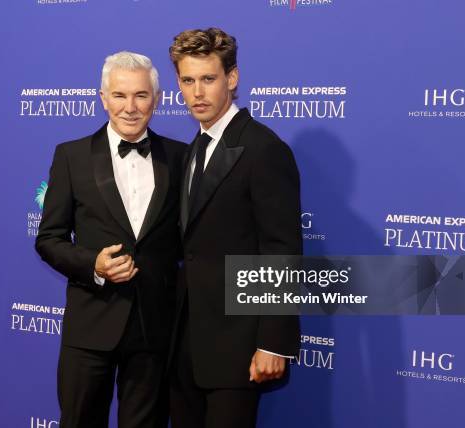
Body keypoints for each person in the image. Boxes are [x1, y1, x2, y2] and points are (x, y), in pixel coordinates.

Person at [35, 51, 185, 428]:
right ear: (103, 98)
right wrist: (93, 265)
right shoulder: (71, 156)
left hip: (154, 329)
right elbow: (49, 239)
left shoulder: (182, 157)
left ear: (158, 99)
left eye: (141, 96)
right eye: (119, 96)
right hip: (90, 326)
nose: (130, 107)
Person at [167, 28, 303, 428]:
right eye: (188, 81)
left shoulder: (264, 149)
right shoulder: (194, 148)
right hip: (187, 345)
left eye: (208, 79)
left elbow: (282, 249)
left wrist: (272, 342)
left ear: (232, 78)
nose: (197, 93)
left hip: (238, 347)